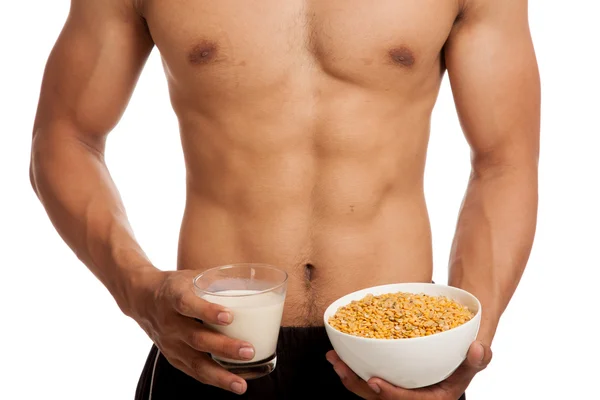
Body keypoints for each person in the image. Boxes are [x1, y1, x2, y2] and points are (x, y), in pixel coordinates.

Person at [29, 0, 540, 399]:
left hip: (399, 354)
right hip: (213, 347)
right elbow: (65, 138)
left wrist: (466, 344)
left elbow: (504, 162)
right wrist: (138, 293)